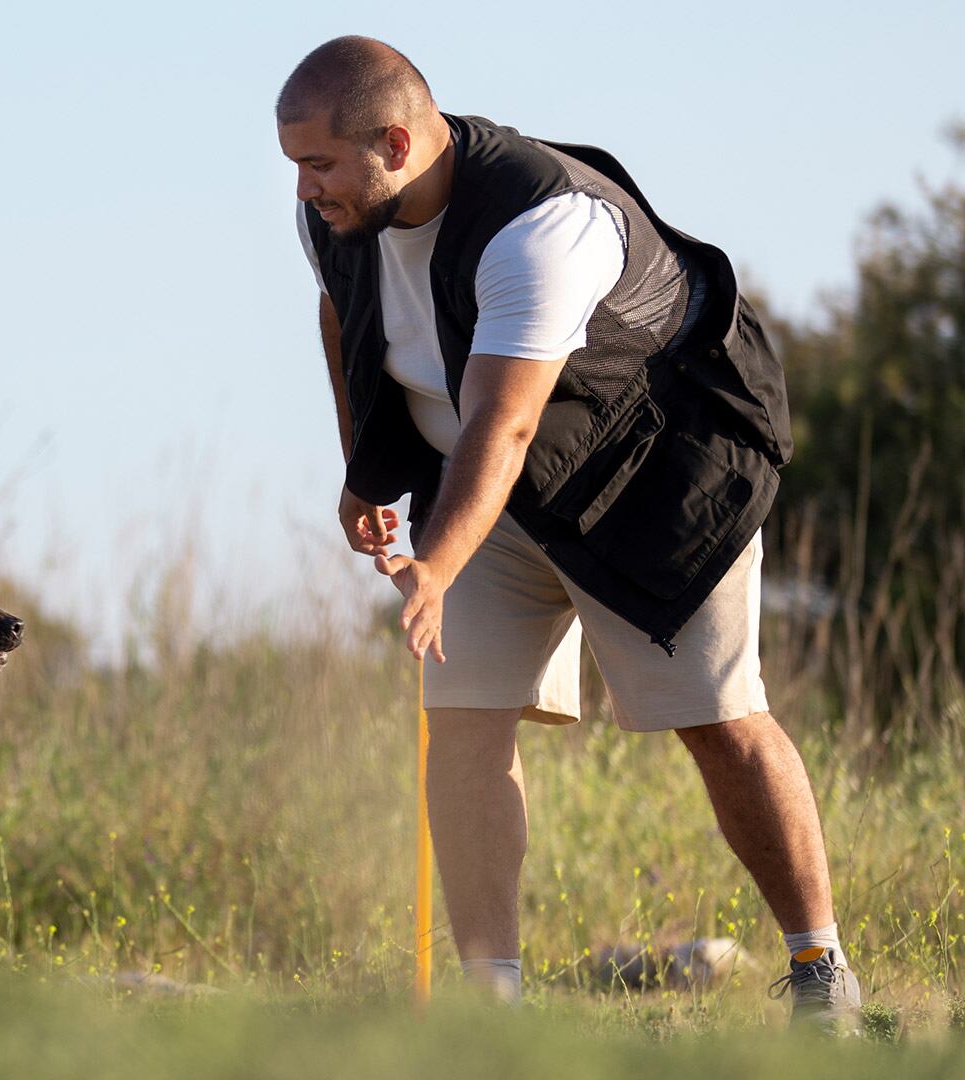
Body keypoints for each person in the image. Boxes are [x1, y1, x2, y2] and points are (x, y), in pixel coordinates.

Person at [277, 35, 860, 1030]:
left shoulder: (541, 227)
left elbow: (505, 422)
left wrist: (433, 569)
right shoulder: (333, 213)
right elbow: (345, 319)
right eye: (294, 164)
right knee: (462, 715)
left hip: (653, 482)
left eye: (320, 163)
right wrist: (361, 472)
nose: (304, 186)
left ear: (395, 141)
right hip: (494, 492)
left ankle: (820, 970)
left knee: (718, 720)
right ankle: (490, 1016)